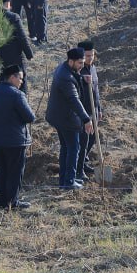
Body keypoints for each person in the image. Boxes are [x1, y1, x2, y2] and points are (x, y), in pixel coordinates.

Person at [0, 65, 35, 210]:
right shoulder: (16, 94)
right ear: (12, 77)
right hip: (14, 141)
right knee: (14, 172)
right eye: (20, 78)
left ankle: (2, 202)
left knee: (1, 171)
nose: (21, 82)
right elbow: (30, 117)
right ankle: (12, 202)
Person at [45, 47, 93, 190]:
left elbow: (74, 76)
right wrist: (86, 119)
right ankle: (69, 181)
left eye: (83, 62)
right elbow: (74, 99)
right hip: (66, 119)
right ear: (71, 61)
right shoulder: (66, 78)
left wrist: (81, 78)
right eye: (79, 63)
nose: (82, 66)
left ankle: (64, 181)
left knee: (66, 148)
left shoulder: (65, 69)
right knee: (73, 148)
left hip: (59, 116)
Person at [76, 40, 103, 182]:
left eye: (92, 55)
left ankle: (83, 162)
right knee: (83, 139)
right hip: (83, 111)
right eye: (87, 55)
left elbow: (96, 90)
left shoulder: (92, 67)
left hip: (93, 109)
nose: (90, 58)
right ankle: (78, 169)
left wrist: (99, 108)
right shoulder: (78, 71)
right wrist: (82, 79)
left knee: (92, 138)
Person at [0, 0, 34, 90]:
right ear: (8, 4)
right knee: (20, 85)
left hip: (0, 58)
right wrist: (29, 54)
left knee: (3, 84)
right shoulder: (13, 17)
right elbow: (22, 37)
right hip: (16, 57)